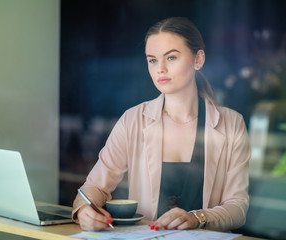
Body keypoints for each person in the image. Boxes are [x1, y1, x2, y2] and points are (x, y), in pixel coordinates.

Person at [72, 17, 251, 232]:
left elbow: (238, 208)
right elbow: (94, 187)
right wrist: (84, 210)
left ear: (198, 59)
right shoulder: (133, 120)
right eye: (153, 60)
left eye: (171, 57)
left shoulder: (231, 123)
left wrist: (198, 217)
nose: (161, 69)